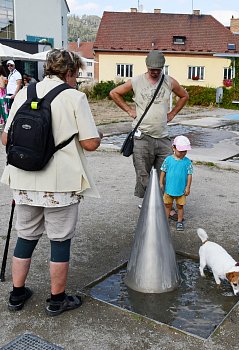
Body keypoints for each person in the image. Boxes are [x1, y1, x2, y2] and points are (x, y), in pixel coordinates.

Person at [1, 49, 103, 316]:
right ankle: (57, 300)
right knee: (59, 241)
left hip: (23, 178)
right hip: (60, 183)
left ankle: (16, 294)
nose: (77, 79)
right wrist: (98, 134)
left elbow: (5, 139)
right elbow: (90, 143)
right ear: (69, 72)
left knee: (25, 236)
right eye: (77, 74)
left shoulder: (25, 92)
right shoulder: (74, 97)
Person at [109, 50, 189, 201]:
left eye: (158, 70)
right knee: (142, 174)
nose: (155, 72)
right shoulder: (136, 81)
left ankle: (164, 204)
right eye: (152, 69)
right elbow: (114, 93)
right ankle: (148, 203)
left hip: (163, 137)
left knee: (167, 172)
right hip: (142, 136)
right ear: (147, 67)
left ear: (162, 68)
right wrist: (129, 110)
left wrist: (172, 114)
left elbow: (184, 96)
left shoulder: (169, 81)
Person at [160, 135, 193, 231]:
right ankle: (165, 221)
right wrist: (161, 182)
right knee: (167, 206)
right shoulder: (168, 160)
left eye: (185, 151)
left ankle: (179, 221)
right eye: (180, 151)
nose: (183, 153)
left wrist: (188, 187)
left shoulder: (187, 162)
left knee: (180, 206)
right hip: (169, 188)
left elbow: (189, 175)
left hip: (181, 190)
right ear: (173, 148)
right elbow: (163, 171)